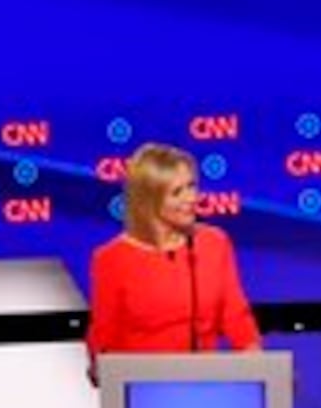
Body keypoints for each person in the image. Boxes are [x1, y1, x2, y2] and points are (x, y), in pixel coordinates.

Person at [84, 145, 260, 374]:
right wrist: (101, 365)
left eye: (192, 186)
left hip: (205, 384)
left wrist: (256, 362)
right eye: (177, 192)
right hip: (142, 390)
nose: (191, 198)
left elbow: (236, 317)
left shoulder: (213, 244)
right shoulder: (112, 259)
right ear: (149, 201)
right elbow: (104, 338)